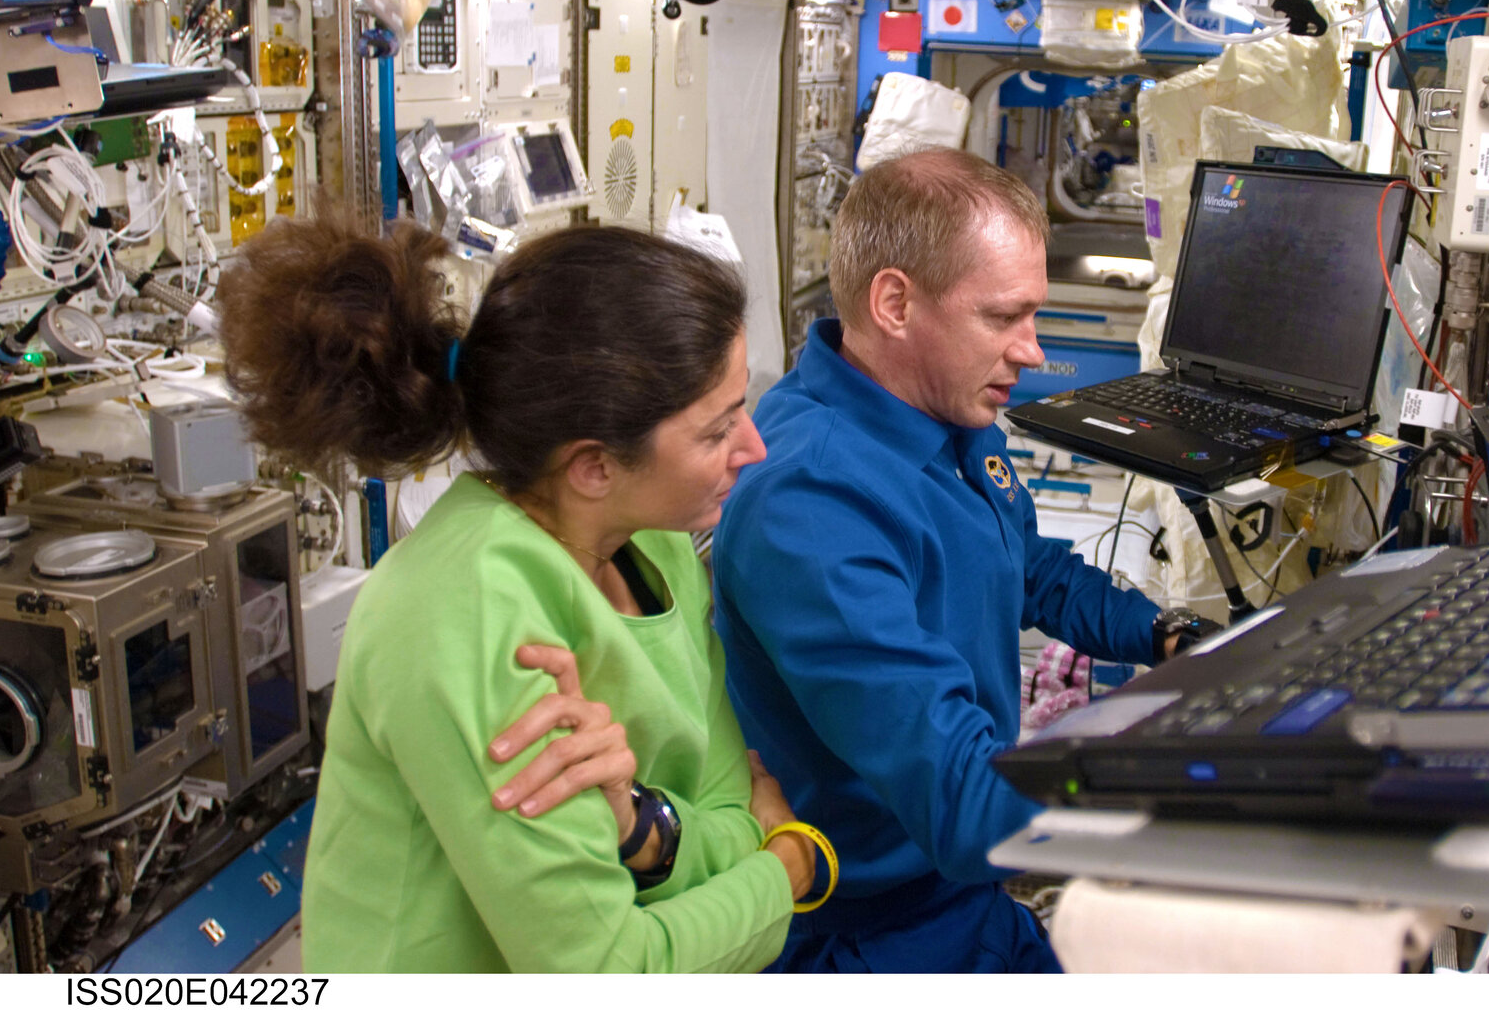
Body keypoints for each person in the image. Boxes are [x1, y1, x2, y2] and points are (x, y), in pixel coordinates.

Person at [216, 212, 829, 972]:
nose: (756, 447)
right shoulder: (468, 615)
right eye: (717, 429)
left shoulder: (657, 546)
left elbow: (729, 805)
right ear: (594, 466)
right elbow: (607, 968)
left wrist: (643, 827)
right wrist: (787, 868)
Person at [712, 148, 1205, 973]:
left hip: (962, 897)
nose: (1034, 350)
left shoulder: (942, 410)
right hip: (869, 933)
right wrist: (1203, 763)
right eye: (1002, 316)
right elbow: (970, 807)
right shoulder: (812, 501)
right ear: (896, 303)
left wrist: (1167, 636)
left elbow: (1027, 567)